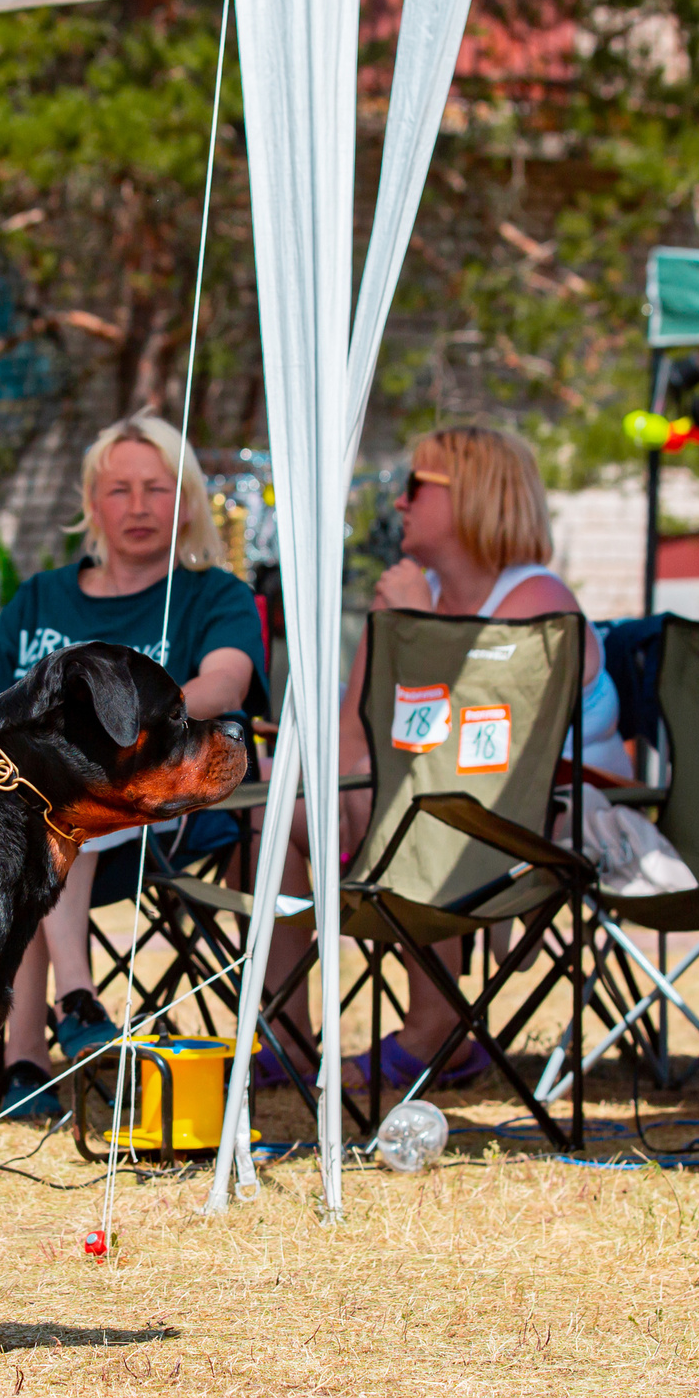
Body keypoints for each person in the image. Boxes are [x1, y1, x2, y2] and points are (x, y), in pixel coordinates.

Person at [262, 424, 627, 1091]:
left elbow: (488, 748)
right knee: (274, 798)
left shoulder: (538, 601)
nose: (398, 503)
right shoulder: (411, 596)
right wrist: (336, 805)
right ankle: (286, 1032)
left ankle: (437, 1030)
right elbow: (351, 734)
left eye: (415, 487)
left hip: (535, 828)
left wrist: (422, 630)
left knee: (425, 809)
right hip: (425, 817)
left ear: (475, 496)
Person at [0, 414, 266, 1118]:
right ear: (91, 502)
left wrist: (127, 733)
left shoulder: (214, 594)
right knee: (30, 808)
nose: (138, 505)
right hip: (43, 820)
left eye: (158, 489)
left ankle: (53, 1023)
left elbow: (227, 682)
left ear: (187, 502)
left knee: (62, 796)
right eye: (119, 489)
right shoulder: (41, 595)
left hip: (165, 819)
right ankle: (47, 1034)